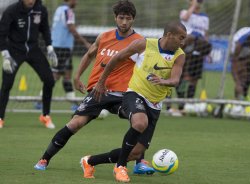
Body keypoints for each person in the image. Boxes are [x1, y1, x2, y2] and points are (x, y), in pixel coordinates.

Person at [34, 0, 154, 176]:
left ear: (133, 20)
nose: (124, 22)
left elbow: (146, 66)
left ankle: (139, 161)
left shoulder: (138, 42)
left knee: (140, 120)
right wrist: (76, 76)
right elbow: (89, 54)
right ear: (115, 17)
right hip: (98, 92)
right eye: (121, 18)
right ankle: (44, 158)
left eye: (128, 19)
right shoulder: (104, 37)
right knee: (75, 124)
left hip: (123, 94)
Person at [82, 21, 187, 183]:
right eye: (181, 38)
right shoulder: (144, 44)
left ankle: (89, 161)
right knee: (139, 123)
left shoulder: (179, 55)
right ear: (169, 35)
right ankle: (120, 167)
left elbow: (175, 79)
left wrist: (163, 81)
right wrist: (101, 81)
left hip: (155, 104)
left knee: (136, 152)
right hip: (135, 94)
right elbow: (117, 58)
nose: (183, 42)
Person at [0, 0, 58, 129]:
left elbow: (45, 29)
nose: (31, 1)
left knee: (49, 80)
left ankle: (45, 115)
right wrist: (5, 54)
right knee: (7, 84)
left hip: (33, 50)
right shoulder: (11, 10)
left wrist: (49, 47)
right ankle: (0, 118)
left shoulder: (41, 9)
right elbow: (2, 33)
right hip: (14, 51)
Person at [34, 0, 91, 110]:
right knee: (55, 75)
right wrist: (85, 43)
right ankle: (40, 100)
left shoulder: (60, 9)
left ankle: (73, 102)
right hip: (61, 47)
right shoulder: (68, 11)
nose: (76, 1)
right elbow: (71, 28)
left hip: (61, 46)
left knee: (67, 75)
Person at [167, 0, 211, 116]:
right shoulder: (184, 12)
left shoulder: (205, 17)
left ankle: (188, 104)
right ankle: (176, 105)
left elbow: (205, 34)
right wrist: (193, 5)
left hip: (199, 49)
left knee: (194, 78)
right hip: (186, 47)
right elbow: (185, 18)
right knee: (181, 76)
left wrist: (208, 53)